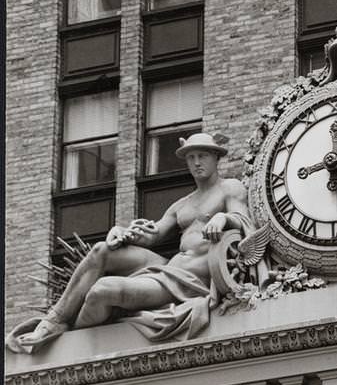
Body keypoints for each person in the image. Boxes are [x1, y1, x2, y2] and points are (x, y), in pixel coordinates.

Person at [7, 133, 256, 353]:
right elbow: (154, 234)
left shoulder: (229, 189)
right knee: (101, 250)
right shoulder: (182, 204)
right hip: (169, 267)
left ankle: (74, 336)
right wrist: (122, 232)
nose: (197, 163)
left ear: (215, 158)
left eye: (202, 156)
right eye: (191, 157)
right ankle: (54, 321)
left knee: (101, 291)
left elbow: (245, 224)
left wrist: (224, 218)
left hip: (190, 283)